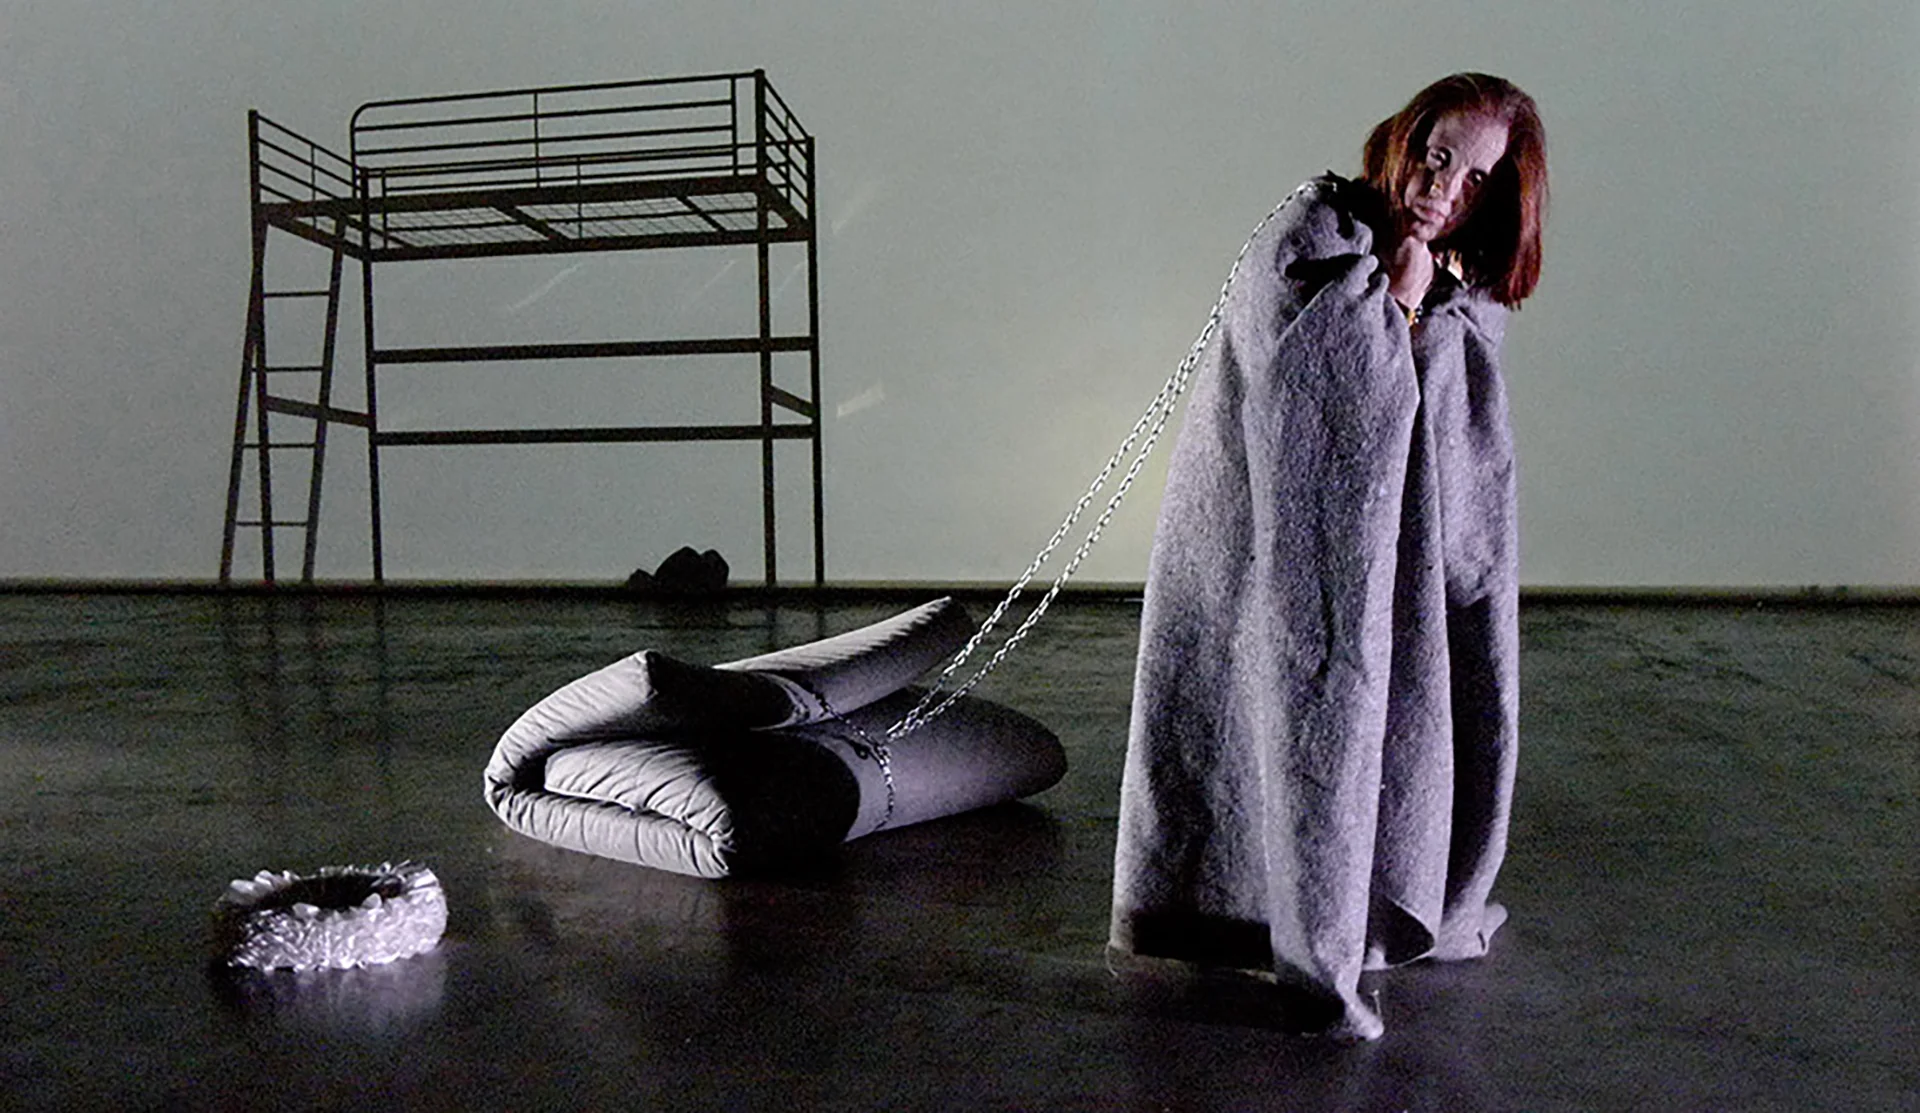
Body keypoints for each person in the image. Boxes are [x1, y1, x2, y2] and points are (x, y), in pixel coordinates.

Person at [1108, 73, 1548, 1040]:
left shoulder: (1463, 290)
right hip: (1271, 563)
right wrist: (1395, 299)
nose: (1441, 187)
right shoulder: (1313, 236)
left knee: (1395, 736)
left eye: (1474, 178)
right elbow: (1310, 397)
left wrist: (1423, 310)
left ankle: (1377, 910)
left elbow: (1460, 439)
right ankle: (1283, 933)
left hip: (1401, 585)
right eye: (1436, 154)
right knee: (1296, 724)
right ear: (1404, 138)